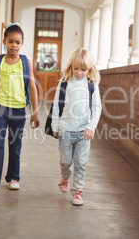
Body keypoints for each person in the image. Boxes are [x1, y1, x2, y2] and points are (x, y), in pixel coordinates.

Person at [0, 23, 39, 194]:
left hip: (19, 110)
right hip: (0, 110)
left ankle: (13, 177)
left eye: (18, 42)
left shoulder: (25, 63)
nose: (14, 45)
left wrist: (35, 113)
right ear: (4, 41)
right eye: (10, 41)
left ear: (22, 43)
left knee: (15, 144)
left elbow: (33, 86)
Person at [52, 48, 102, 206]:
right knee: (65, 161)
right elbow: (55, 105)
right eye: (76, 68)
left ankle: (78, 191)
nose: (79, 72)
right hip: (66, 130)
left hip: (83, 132)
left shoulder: (91, 85)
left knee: (81, 162)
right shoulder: (64, 82)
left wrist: (91, 127)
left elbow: (96, 107)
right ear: (71, 66)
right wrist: (56, 125)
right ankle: (65, 177)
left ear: (90, 69)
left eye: (84, 69)